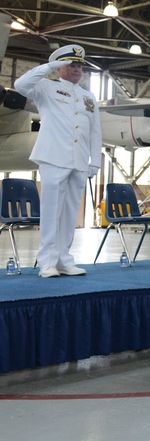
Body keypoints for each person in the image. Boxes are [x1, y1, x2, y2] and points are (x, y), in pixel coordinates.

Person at [14, 44, 101, 277]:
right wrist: (49, 67)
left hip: (79, 160)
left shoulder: (88, 97)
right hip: (53, 157)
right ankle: (47, 263)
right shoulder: (46, 87)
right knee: (51, 211)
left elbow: (95, 131)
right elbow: (20, 85)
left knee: (70, 212)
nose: (76, 69)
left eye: (79, 65)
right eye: (71, 64)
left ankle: (64, 260)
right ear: (60, 67)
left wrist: (95, 161)